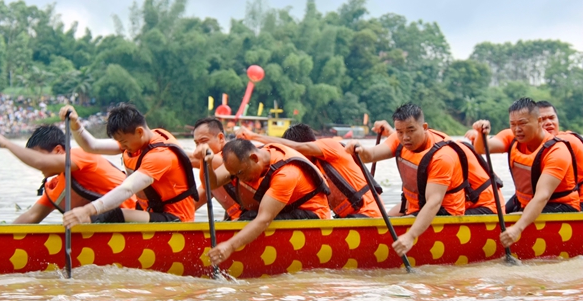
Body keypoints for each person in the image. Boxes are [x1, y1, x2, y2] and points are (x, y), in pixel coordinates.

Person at [346, 103, 501, 258]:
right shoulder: (400, 138)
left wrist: (410, 236)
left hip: (467, 207)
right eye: (399, 131)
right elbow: (370, 155)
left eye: (411, 130)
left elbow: (433, 202)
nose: (405, 137)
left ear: (424, 127)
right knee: (385, 218)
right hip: (427, 201)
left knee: (401, 225)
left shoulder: (443, 156)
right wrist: (359, 148)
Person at [59, 103, 198, 227]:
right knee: (102, 211)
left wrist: (86, 210)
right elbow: (92, 146)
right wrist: (75, 124)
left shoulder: (160, 155)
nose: (122, 146)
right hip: (150, 212)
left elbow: (127, 189)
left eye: (124, 142)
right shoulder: (136, 141)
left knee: (112, 214)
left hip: (176, 220)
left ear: (139, 132)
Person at [471, 98, 580, 247]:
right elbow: (482, 149)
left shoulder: (557, 151)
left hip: (560, 206)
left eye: (522, 123)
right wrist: (480, 133)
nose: (517, 129)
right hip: (525, 201)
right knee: (498, 213)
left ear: (539, 121)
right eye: (513, 124)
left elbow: (542, 196)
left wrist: (517, 228)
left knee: (513, 218)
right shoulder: (512, 137)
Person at [203, 139, 331, 265]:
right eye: (234, 174)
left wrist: (229, 246)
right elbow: (212, 184)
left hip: (314, 216)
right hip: (285, 207)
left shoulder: (286, 173)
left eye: (240, 173)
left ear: (254, 158)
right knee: (247, 216)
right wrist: (208, 165)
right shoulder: (240, 162)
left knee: (250, 218)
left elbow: (263, 219)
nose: (239, 179)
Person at [0, 125, 136, 224]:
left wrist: (7, 144)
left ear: (58, 151)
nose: (36, 164)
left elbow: (40, 162)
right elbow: (31, 216)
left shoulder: (81, 155)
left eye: (38, 155)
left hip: (136, 219)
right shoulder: (58, 184)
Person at [236, 123, 382, 218]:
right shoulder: (302, 172)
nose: (290, 157)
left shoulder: (331, 146)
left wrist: (253, 137)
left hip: (369, 215)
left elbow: (297, 147)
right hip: (344, 219)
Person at [193, 117, 242, 220]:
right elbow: (190, 206)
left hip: (252, 218)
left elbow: (190, 159)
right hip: (235, 220)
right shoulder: (211, 173)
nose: (199, 148)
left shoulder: (235, 155)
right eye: (197, 143)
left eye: (204, 141)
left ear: (221, 138)